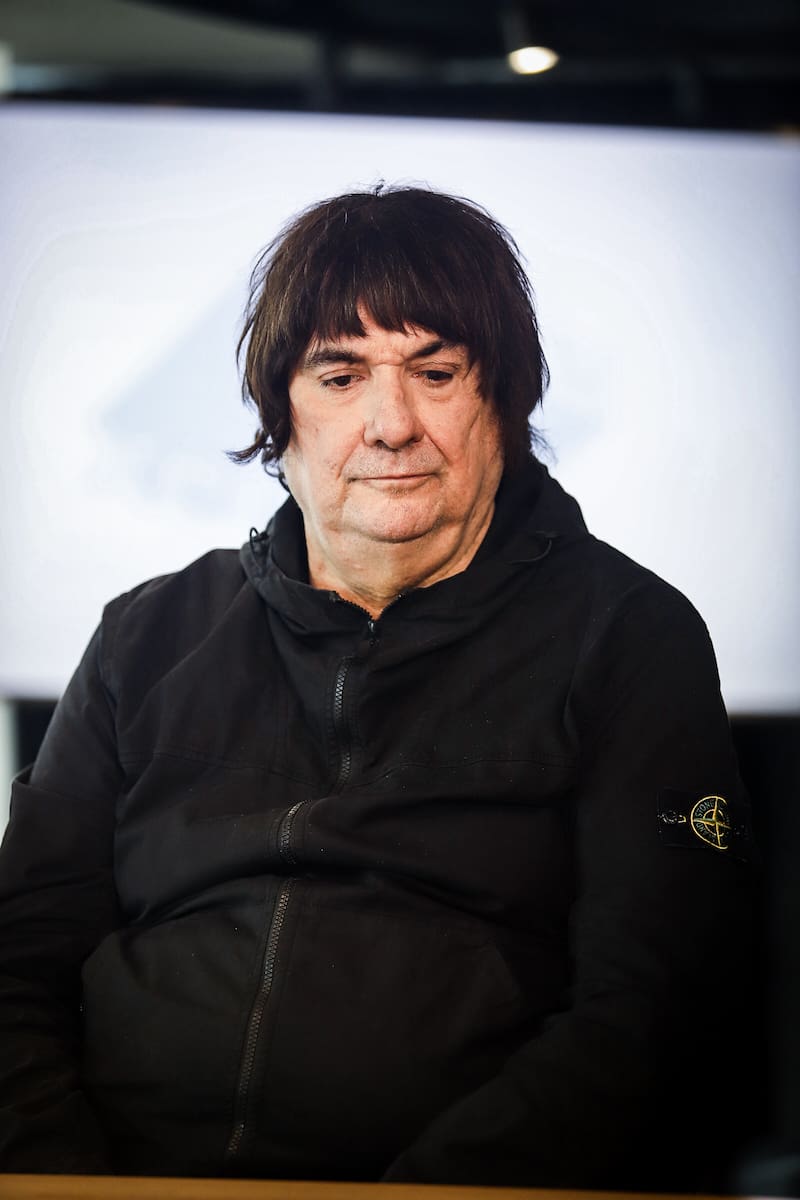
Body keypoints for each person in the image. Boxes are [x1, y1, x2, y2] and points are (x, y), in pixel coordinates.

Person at [0, 185, 755, 1187]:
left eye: (435, 373)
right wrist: (60, 1178)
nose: (390, 423)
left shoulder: (629, 636)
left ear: (503, 401)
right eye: (340, 375)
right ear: (282, 411)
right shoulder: (145, 634)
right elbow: (19, 965)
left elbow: (652, 1008)